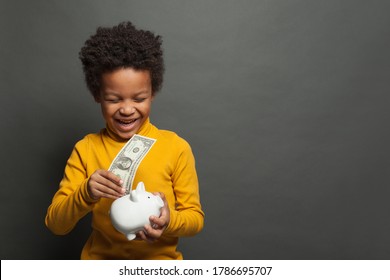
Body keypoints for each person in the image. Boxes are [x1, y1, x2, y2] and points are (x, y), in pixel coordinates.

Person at [45, 21, 204, 260]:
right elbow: (56, 224)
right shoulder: (86, 149)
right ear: (97, 95)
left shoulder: (176, 148)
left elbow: (195, 218)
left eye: (139, 98)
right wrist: (86, 192)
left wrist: (170, 220)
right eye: (114, 99)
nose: (127, 109)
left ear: (153, 93)